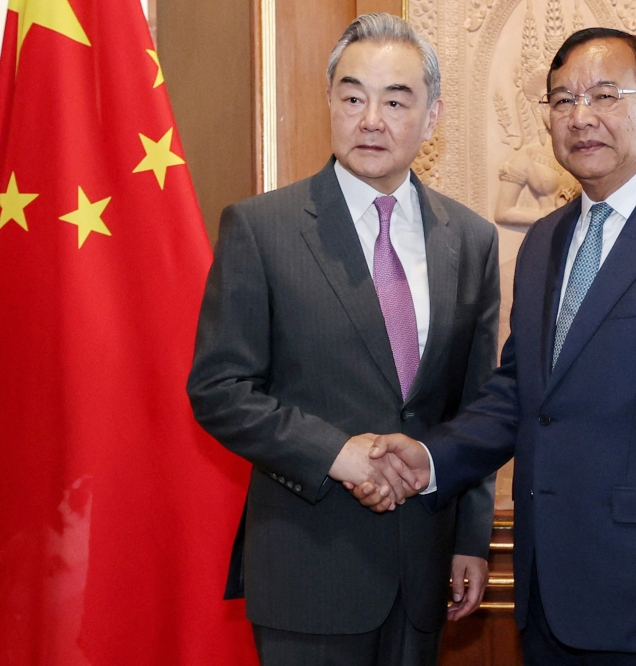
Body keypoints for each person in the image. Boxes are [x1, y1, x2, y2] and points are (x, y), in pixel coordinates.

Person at [353, 27, 636, 666]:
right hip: (548, 597)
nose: (581, 117)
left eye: (605, 95)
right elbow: (519, 398)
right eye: (562, 101)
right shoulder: (545, 241)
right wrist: (428, 459)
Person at [186, 13, 499, 666]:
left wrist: (471, 537)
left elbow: (476, 408)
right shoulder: (261, 228)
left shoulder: (471, 240)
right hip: (308, 566)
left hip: (423, 569)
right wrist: (336, 453)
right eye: (353, 97)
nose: (371, 119)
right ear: (330, 103)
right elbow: (218, 389)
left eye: (395, 100)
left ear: (433, 116)